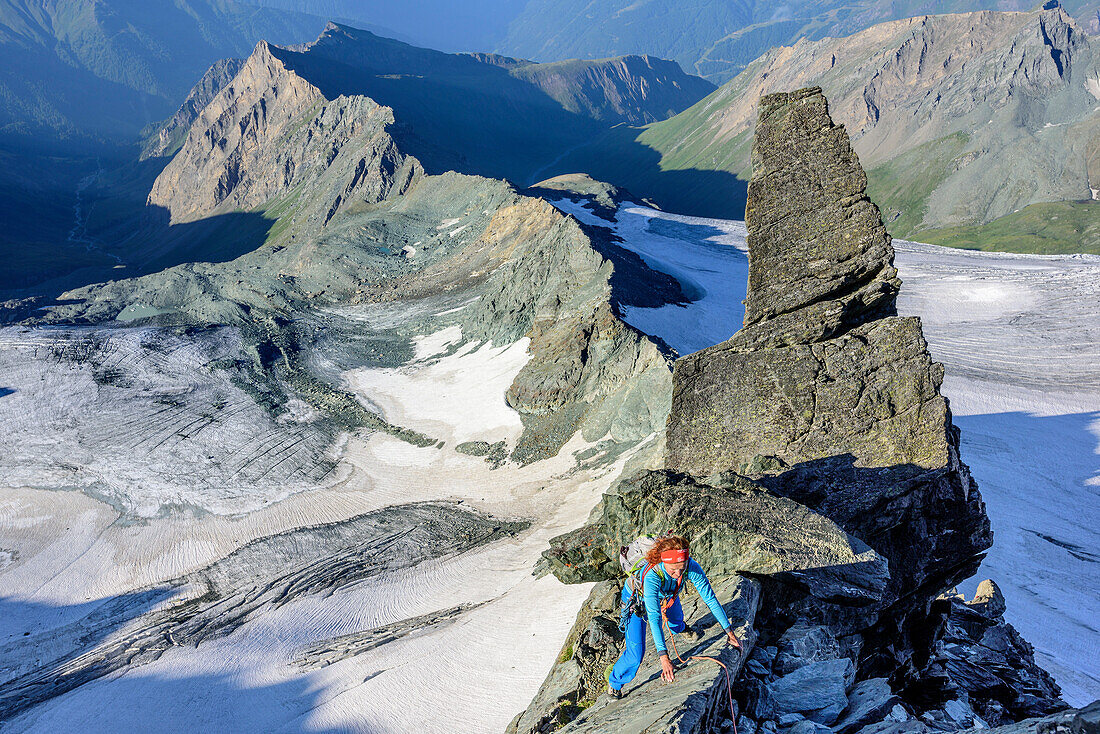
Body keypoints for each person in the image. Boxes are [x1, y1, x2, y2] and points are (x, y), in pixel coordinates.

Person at [607, 535, 740, 698]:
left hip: (666, 594)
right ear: (663, 563)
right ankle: (615, 682)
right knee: (635, 655)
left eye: (682, 569)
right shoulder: (652, 576)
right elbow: (654, 618)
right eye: (673, 570)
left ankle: (680, 628)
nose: (678, 574)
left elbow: (710, 599)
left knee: (676, 619)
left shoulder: (690, 566)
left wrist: (730, 632)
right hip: (636, 602)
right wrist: (664, 658)